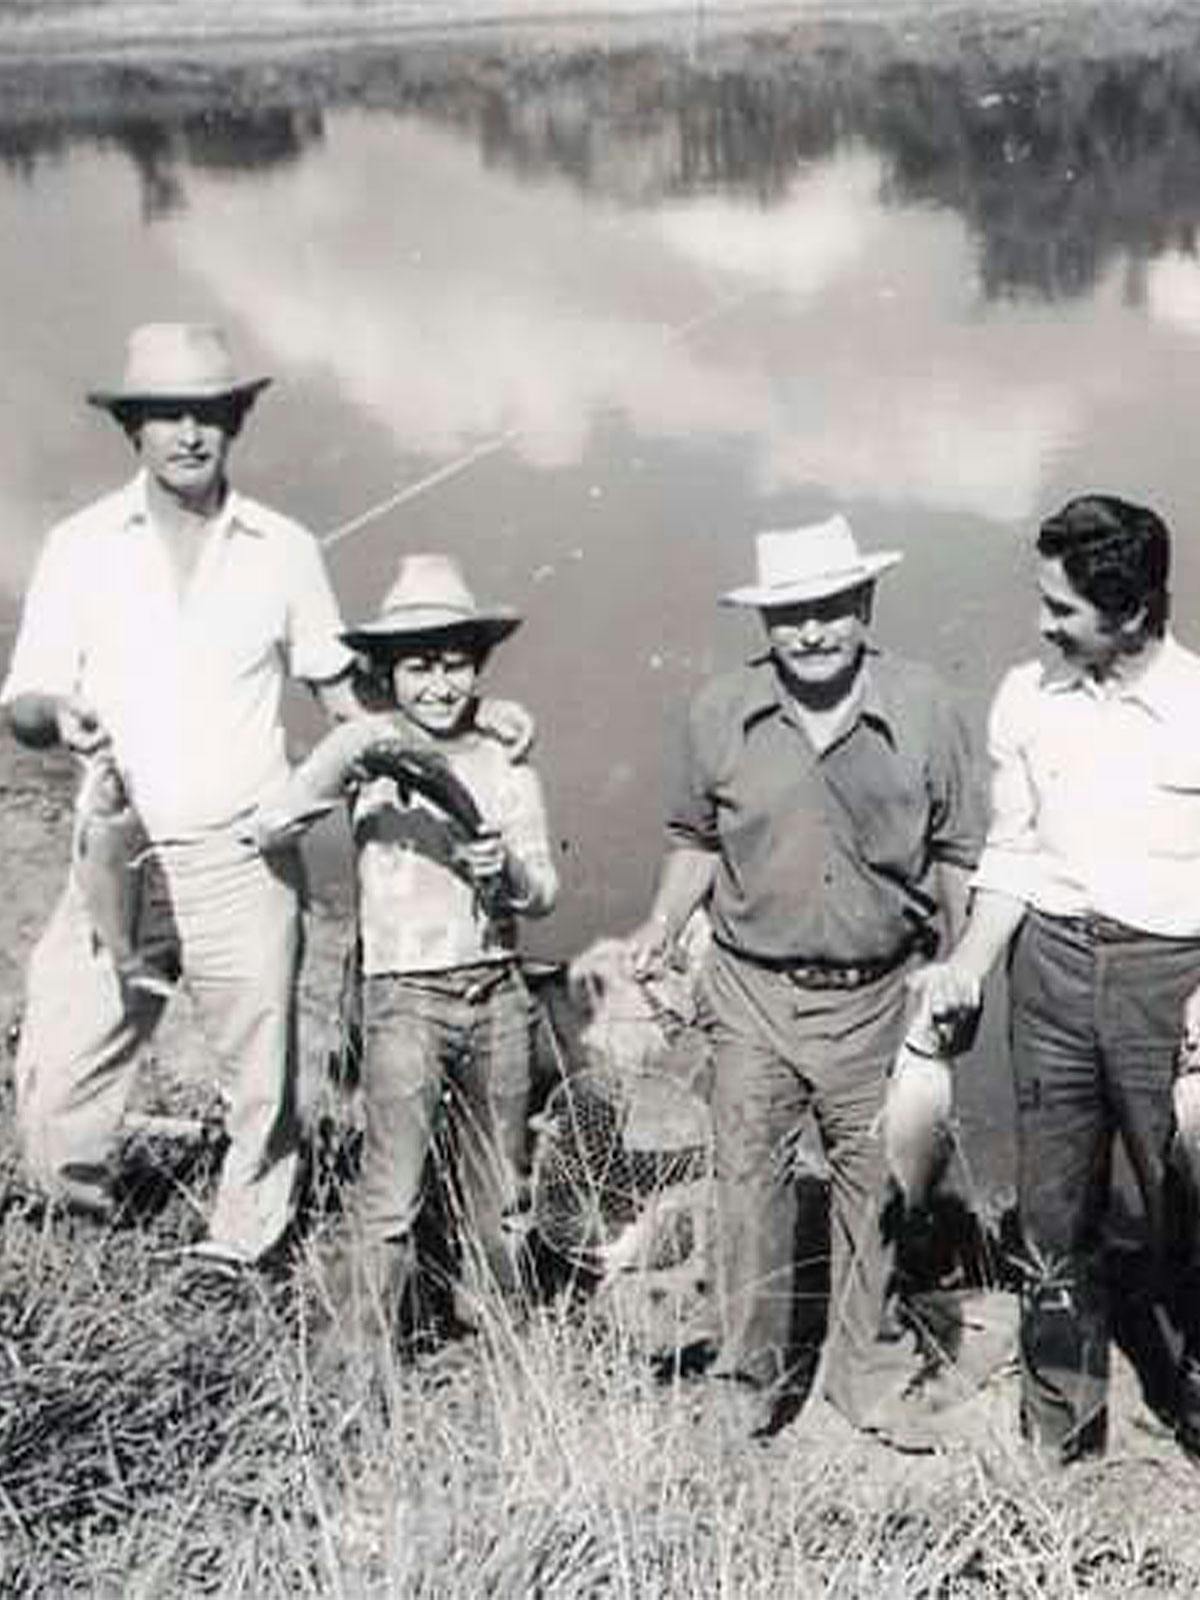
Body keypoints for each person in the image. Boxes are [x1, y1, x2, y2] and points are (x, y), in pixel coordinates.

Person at [626, 514, 983, 1445]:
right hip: (750, 991)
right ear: (763, 622)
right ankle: (748, 1383)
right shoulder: (718, 710)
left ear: (864, 604)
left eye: (830, 609)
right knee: (748, 1186)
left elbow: (956, 851)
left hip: (880, 997)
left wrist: (961, 968)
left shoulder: (926, 706)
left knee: (880, 1187)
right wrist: (662, 925)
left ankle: (859, 1374)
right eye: (790, 615)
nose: (812, 632)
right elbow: (694, 841)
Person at [917, 494, 1200, 1464]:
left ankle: (1195, 1407)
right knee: (1051, 1213)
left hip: (1173, 984)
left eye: (1063, 609)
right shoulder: (1025, 700)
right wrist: (967, 963)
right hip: (1048, 972)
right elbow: (1011, 854)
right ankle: (1063, 1430)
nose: (1042, 624)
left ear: (1128, 612)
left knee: (1187, 1211)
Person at [251, 553, 558, 1338]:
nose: (439, 686)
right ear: (387, 673)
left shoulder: (506, 760)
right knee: (392, 1191)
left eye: (455, 665)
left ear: (477, 667)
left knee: (502, 1188)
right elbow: (273, 823)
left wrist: (509, 872)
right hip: (404, 1000)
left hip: (497, 992)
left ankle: (497, 1333)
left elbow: (544, 892)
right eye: (418, 667)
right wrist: (350, 749)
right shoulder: (365, 751)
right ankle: (361, 1360)